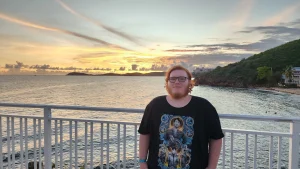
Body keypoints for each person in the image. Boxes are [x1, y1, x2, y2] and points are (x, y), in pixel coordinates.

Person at [138, 65, 224, 169]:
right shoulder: (155, 105)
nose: (177, 82)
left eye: (182, 79)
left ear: (189, 83)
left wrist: (212, 166)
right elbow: (145, 133)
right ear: (167, 83)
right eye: (172, 79)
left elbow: (216, 138)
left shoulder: (204, 107)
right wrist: (142, 162)